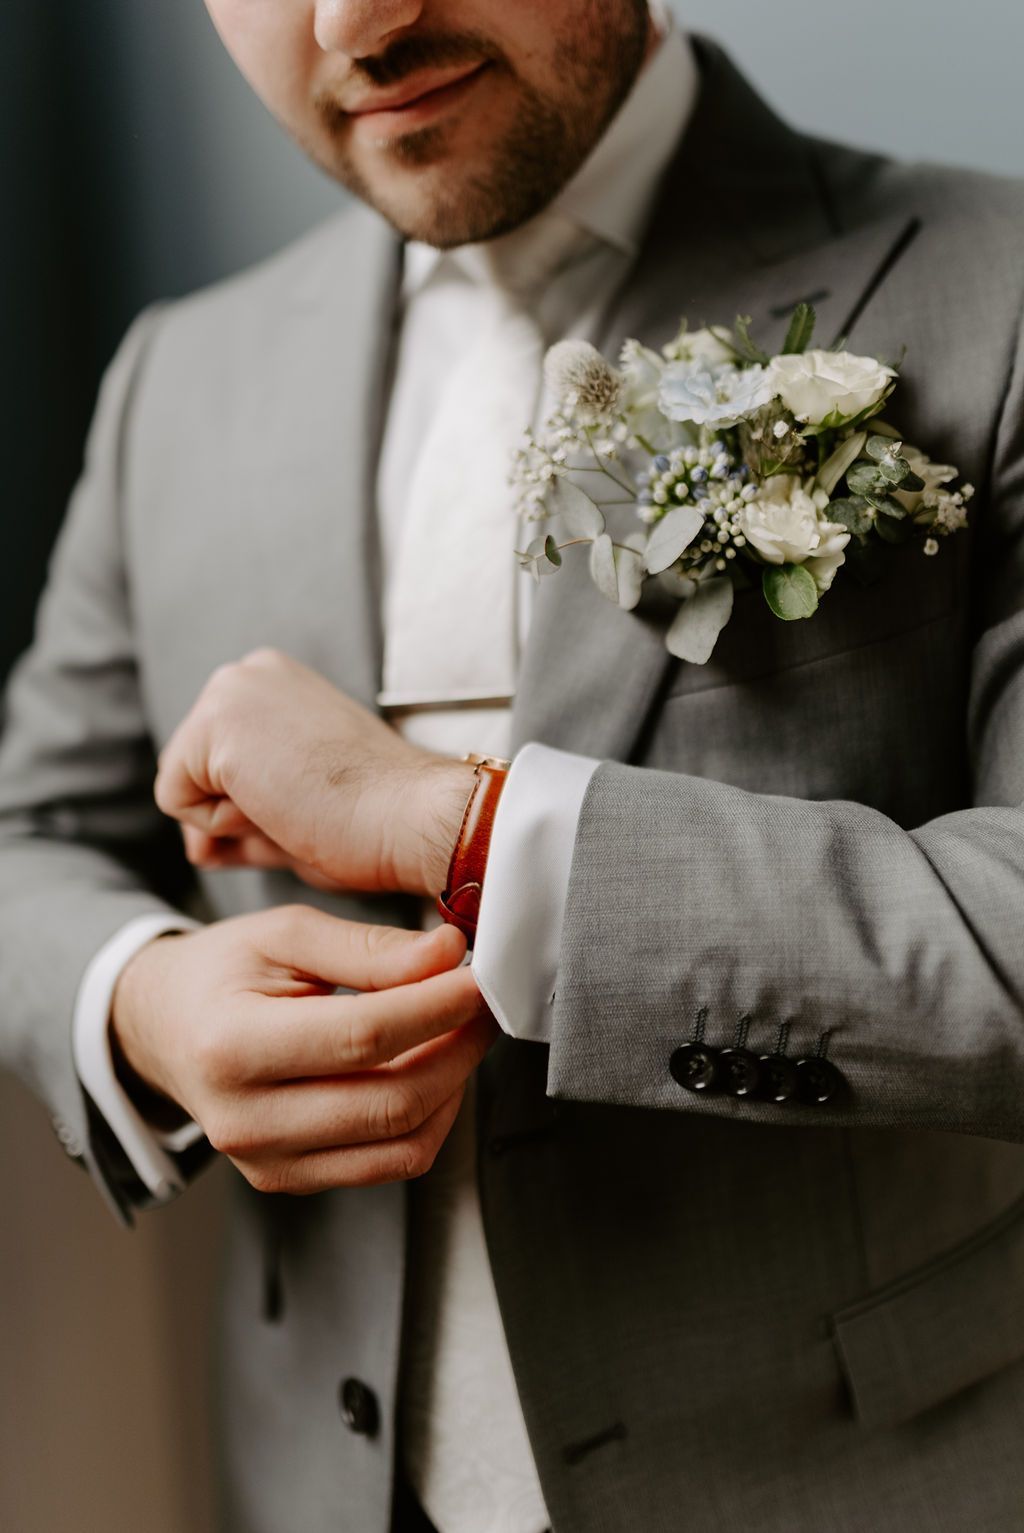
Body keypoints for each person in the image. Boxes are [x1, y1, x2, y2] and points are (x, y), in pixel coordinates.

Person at [2, 1, 1024, 1530]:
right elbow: (32, 836)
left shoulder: (996, 286)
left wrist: (451, 828)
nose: (358, 19)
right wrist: (137, 998)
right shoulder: (175, 382)